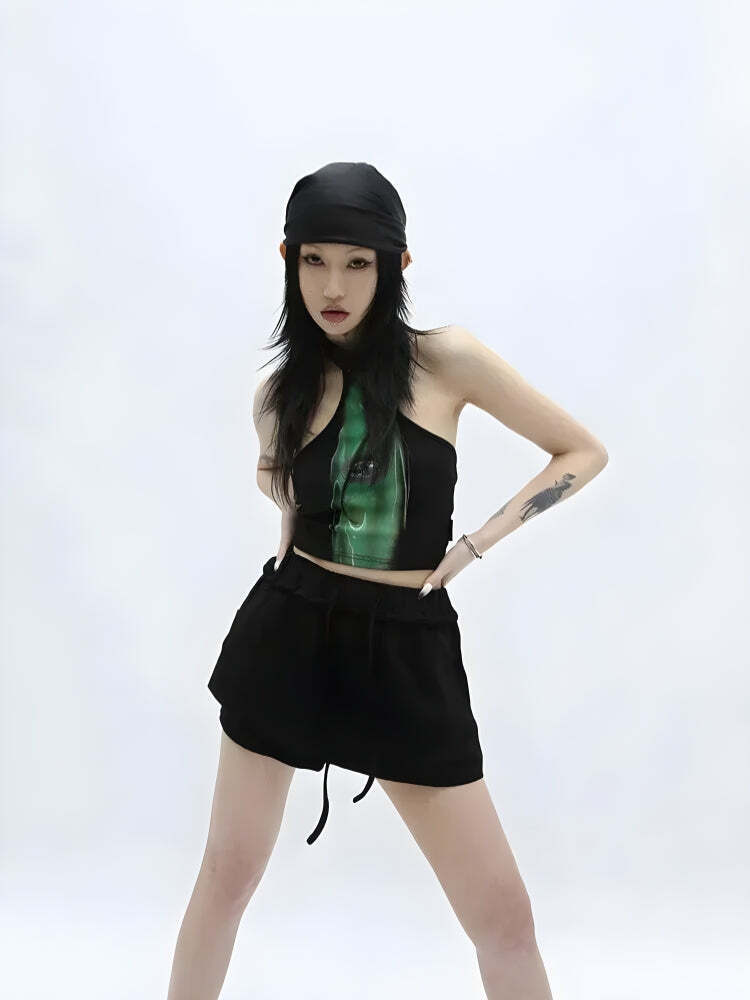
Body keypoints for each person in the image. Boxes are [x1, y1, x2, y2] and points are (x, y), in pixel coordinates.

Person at [167, 162, 608, 1000]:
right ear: (289, 260)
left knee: (502, 916)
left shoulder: (447, 361)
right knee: (226, 877)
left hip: (405, 645)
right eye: (314, 260)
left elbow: (581, 452)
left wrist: (476, 543)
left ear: (396, 265)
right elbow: (282, 498)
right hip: (288, 632)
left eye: (357, 263)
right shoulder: (281, 393)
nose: (333, 286)